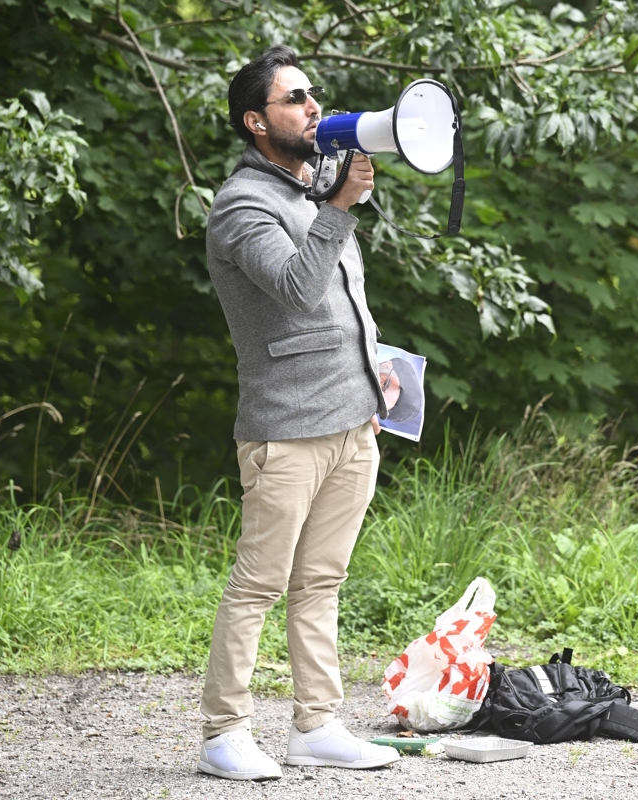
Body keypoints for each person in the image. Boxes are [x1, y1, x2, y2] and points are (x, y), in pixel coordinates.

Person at [196, 44, 401, 781]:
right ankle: (224, 734)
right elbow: (293, 290)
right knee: (258, 583)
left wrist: (374, 380)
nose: (314, 107)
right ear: (256, 121)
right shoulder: (241, 205)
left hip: (352, 425)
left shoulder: (310, 195)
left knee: (321, 583)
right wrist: (342, 208)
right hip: (284, 433)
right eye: (295, 99)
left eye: (313, 95)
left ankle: (316, 724)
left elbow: (347, 307)